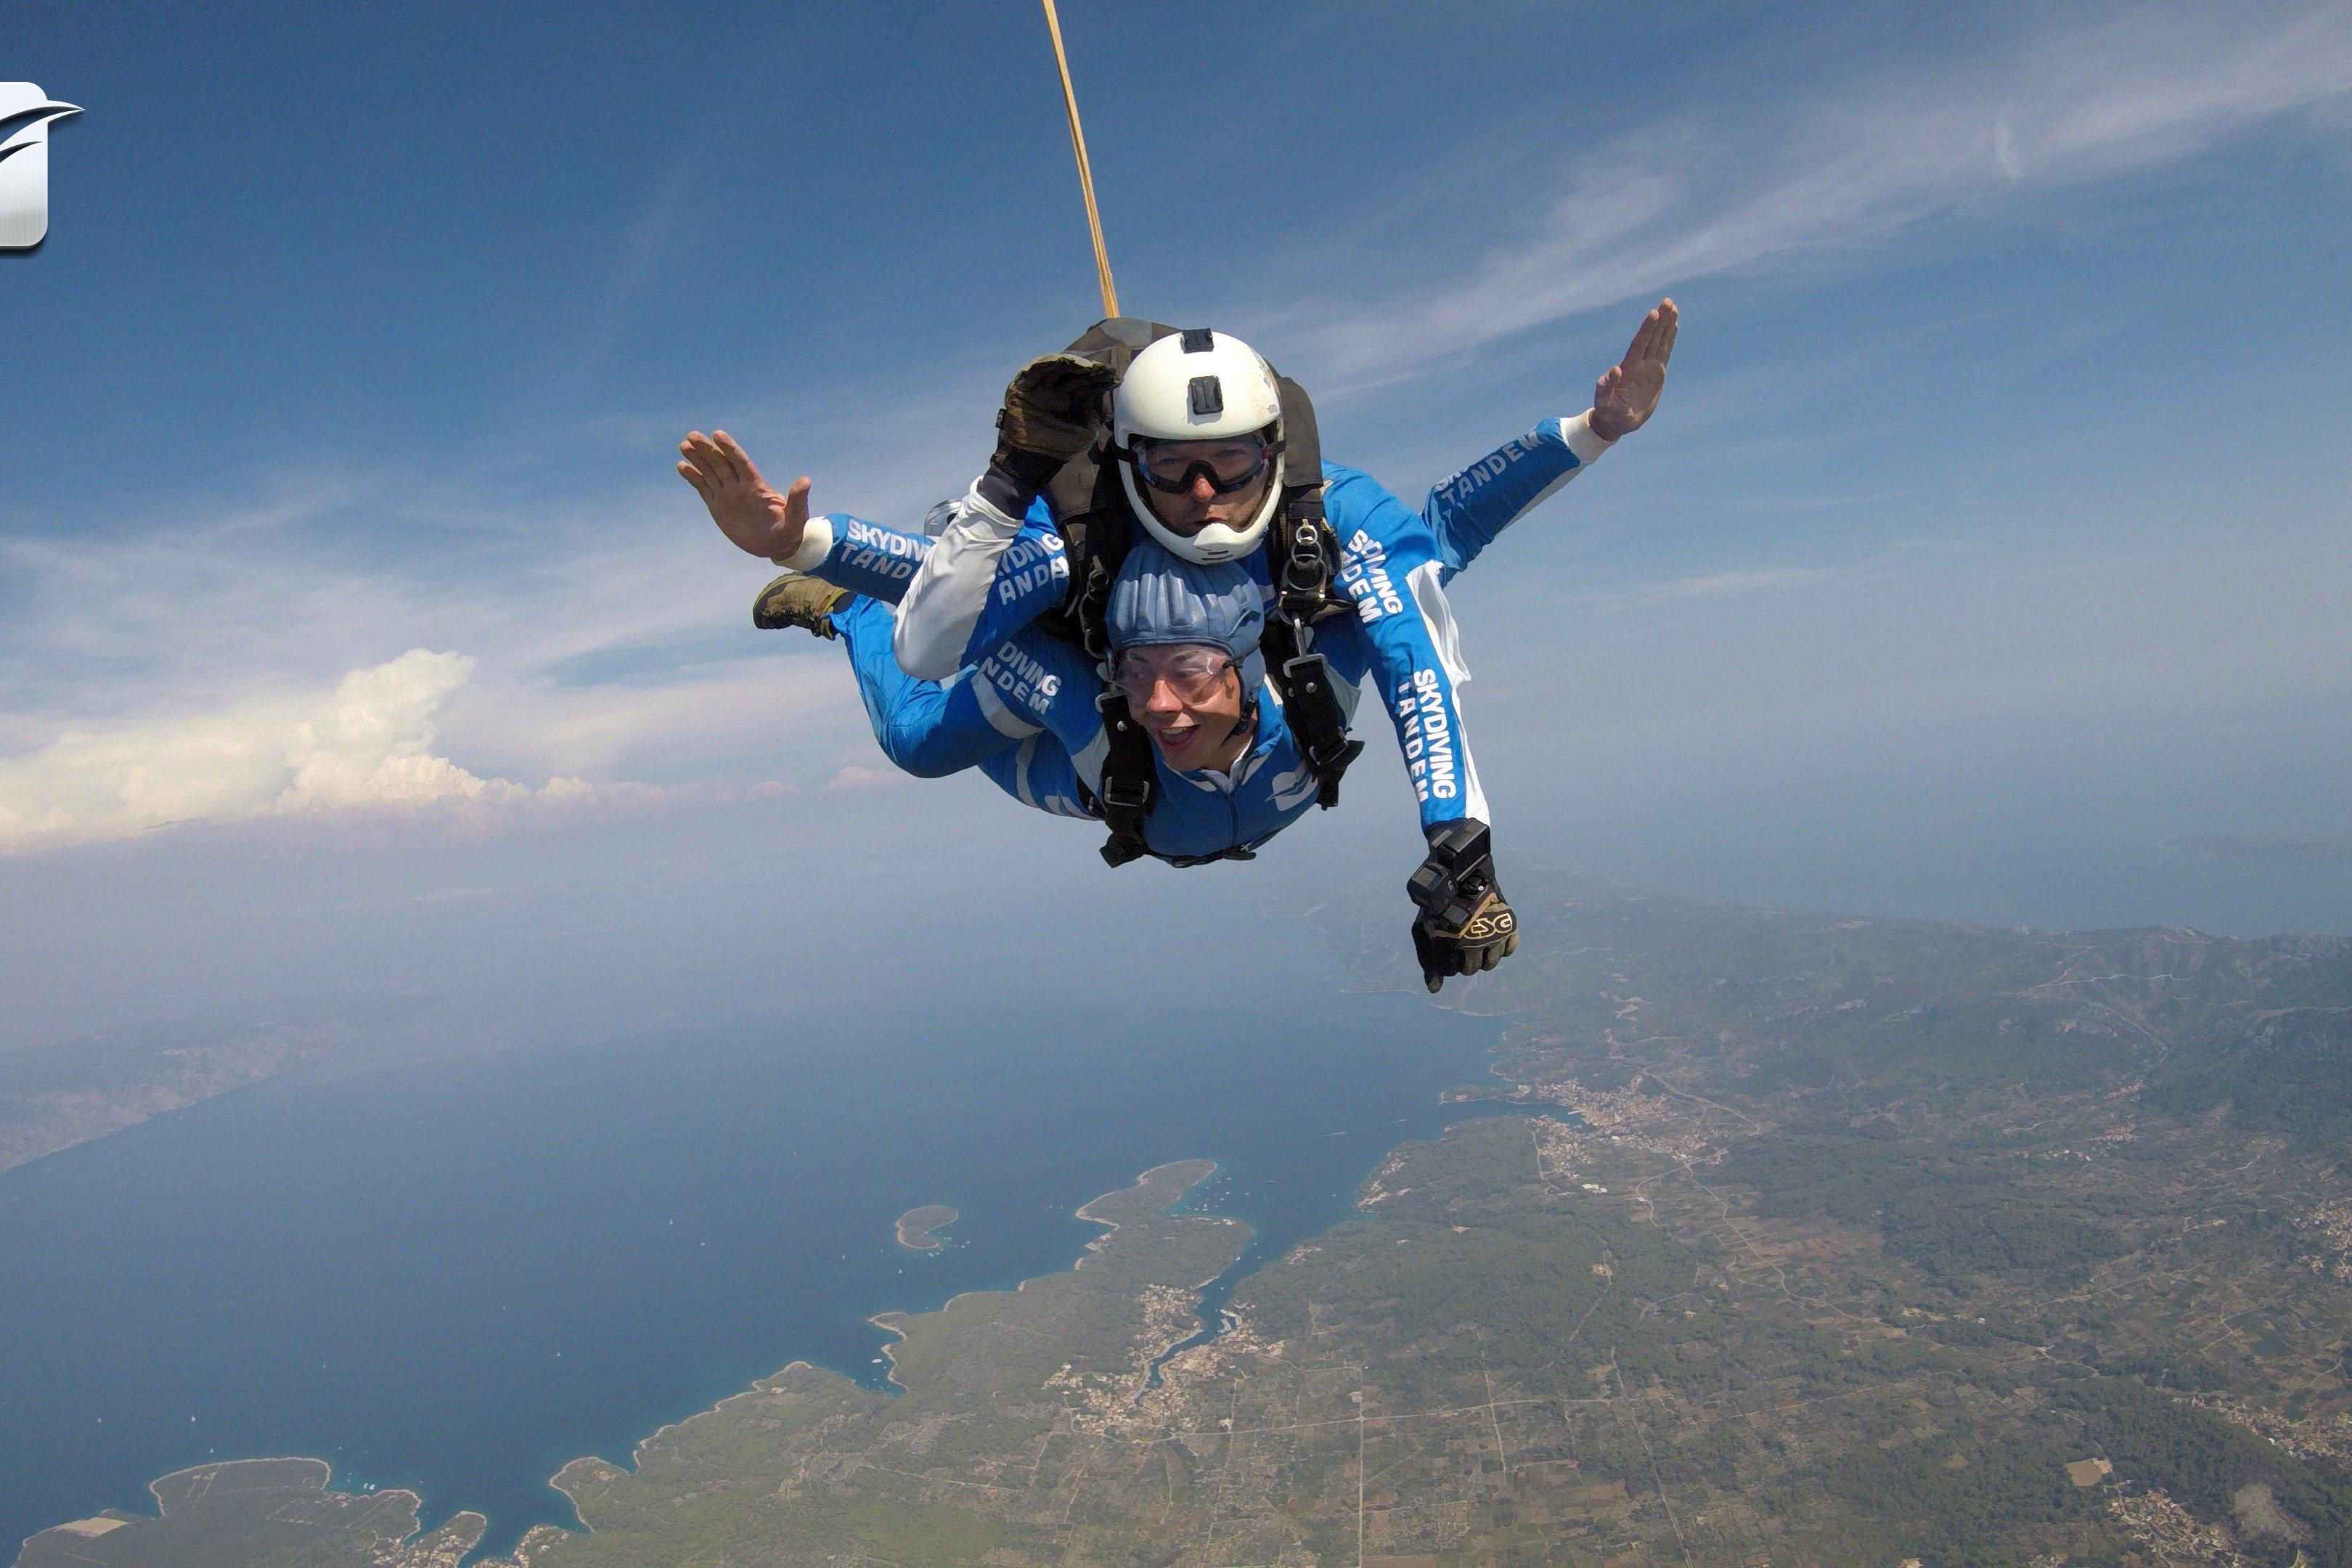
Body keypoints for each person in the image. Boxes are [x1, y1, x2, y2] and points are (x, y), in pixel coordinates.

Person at [677, 303, 1676, 987]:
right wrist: (812, 548)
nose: (1203, 495)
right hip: (1078, 730)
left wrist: (1592, 429)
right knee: (923, 739)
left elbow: (1430, 594)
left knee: (1356, 617)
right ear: (1130, 463)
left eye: (1230, 463)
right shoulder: (1083, 561)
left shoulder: (1321, 567)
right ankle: (836, 614)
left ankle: (858, 604)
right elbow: (944, 600)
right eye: (1171, 469)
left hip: (1151, 769)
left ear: (1273, 456)